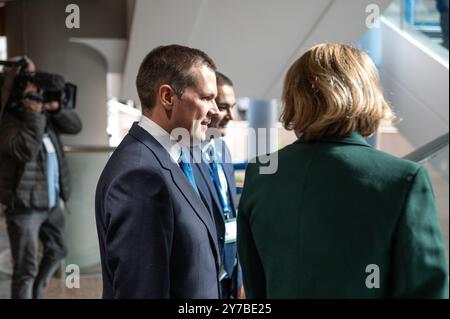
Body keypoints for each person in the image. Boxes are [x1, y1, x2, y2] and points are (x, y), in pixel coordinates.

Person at [237, 44, 448, 298]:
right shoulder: (403, 179)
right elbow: (426, 291)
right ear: (366, 96)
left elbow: (256, 287)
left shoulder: (262, 174)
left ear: (295, 99)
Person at [95, 44, 221, 298]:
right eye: (207, 98)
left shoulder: (177, 155)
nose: (215, 111)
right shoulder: (139, 176)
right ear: (167, 97)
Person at [0, 56, 82, 299]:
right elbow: (25, 149)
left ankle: (36, 292)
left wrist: (55, 107)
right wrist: (33, 113)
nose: (37, 90)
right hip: (24, 207)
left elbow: (75, 126)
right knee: (25, 269)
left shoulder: (46, 116)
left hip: (52, 201)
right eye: (31, 85)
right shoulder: (9, 121)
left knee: (58, 249)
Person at [192, 72, 244, 299]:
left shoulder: (223, 151)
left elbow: (231, 219)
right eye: (223, 106)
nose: (230, 116)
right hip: (202, 284)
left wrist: (239, 279)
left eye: (233, 107)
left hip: (229, 281)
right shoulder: (181, 160)